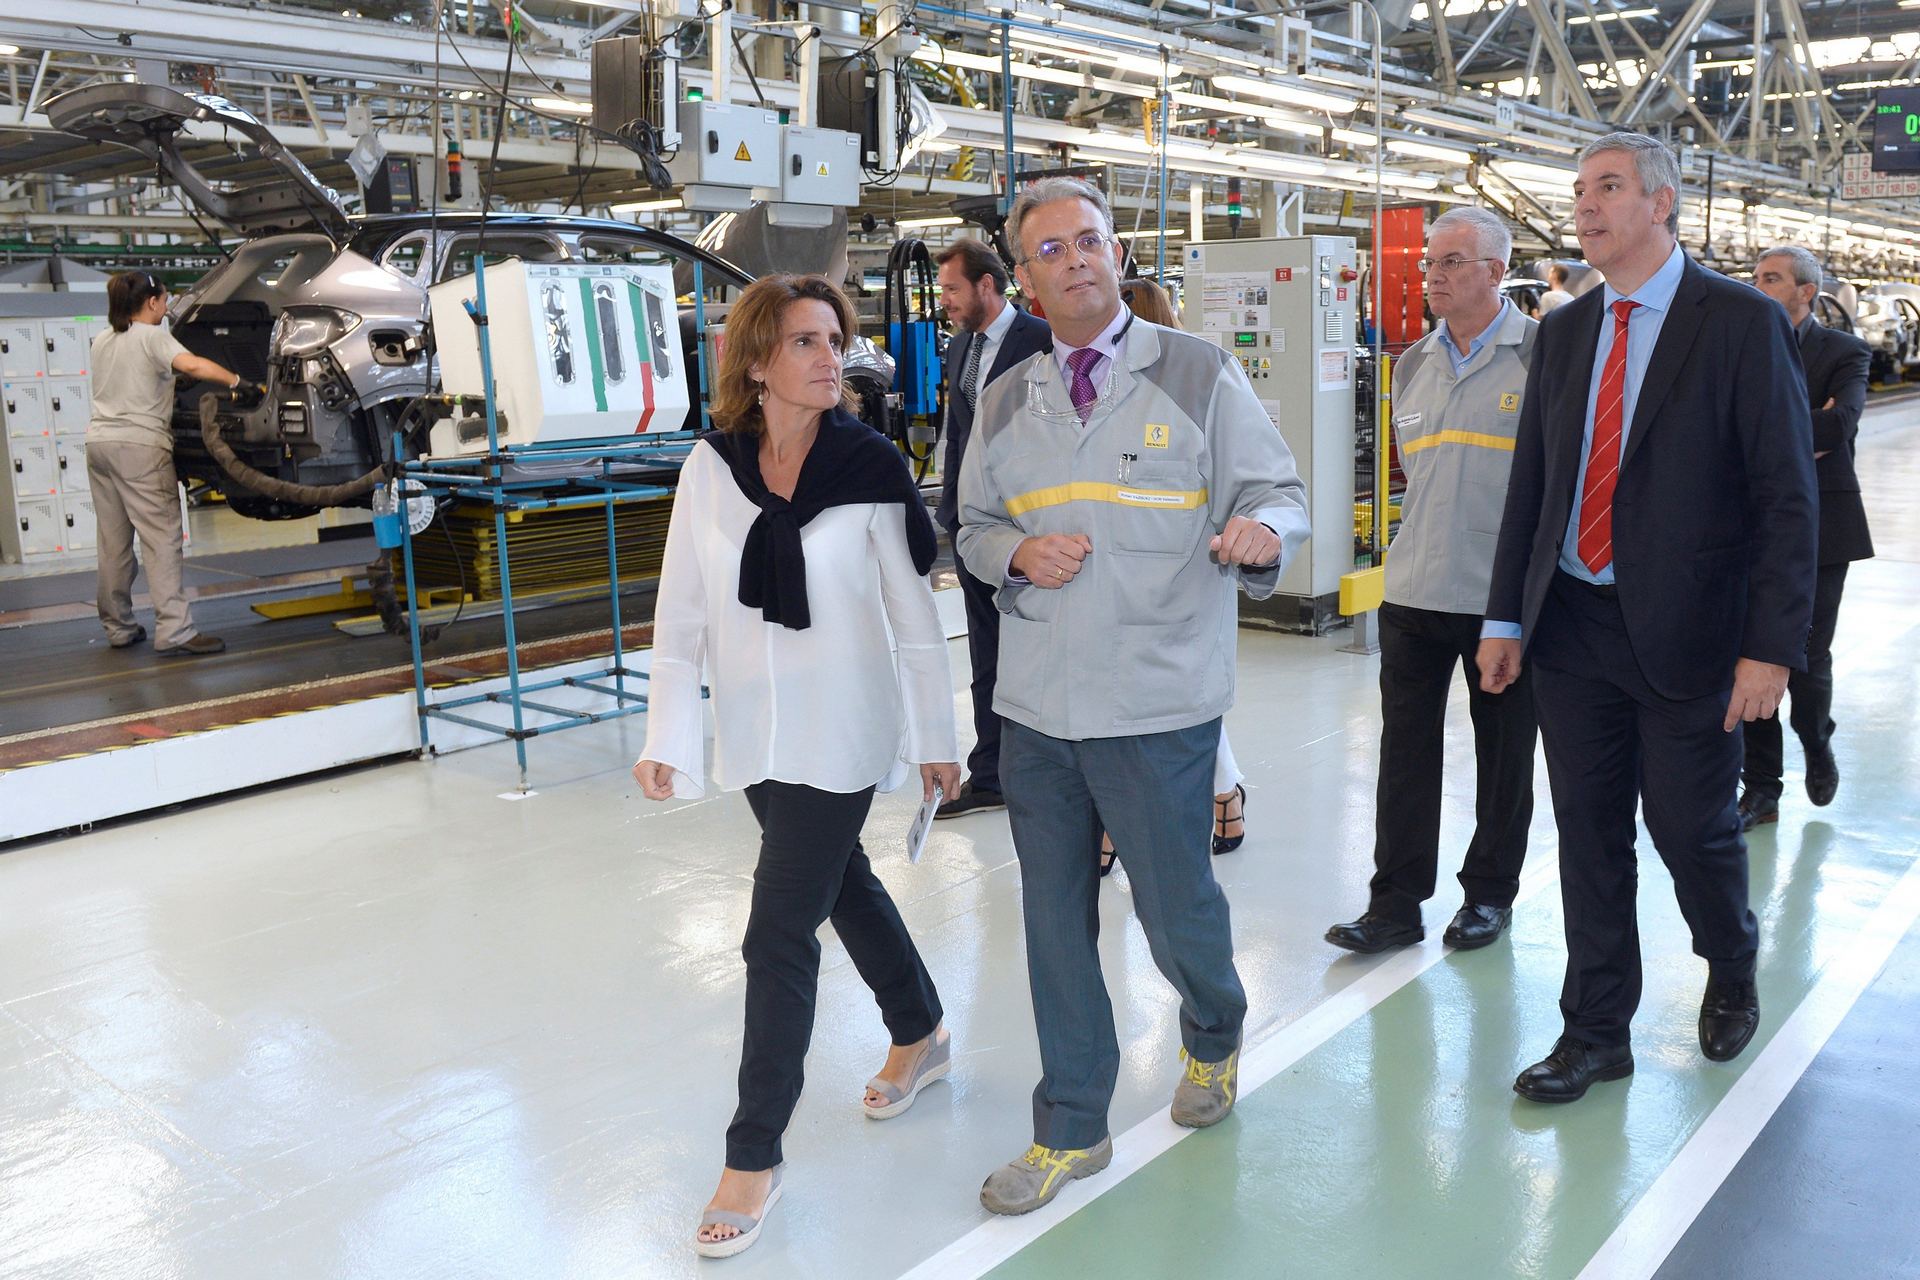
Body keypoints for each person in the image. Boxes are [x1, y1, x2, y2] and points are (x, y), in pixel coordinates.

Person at [957, 176, 1309, 1212]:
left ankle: (1213, 1025)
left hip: (1157, 701)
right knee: (1054, 919)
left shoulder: (1195, 373)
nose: (1075, 260)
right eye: (1051, 250)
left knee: (1172, 905)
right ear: (1023, 277)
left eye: (1090, 242)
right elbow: (972, 526)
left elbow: (1277, 493)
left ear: (1117, 253)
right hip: (1036, 707)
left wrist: (1264, 534)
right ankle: (1071, 1121)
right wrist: (1016, 550)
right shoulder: (1007, 398)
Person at [1476, 133, 1817, 1104]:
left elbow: (1787, 498)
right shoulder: (1565, 330)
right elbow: (1535, 488)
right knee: (1587, 830)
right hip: (1575, 623)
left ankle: (1732, 956)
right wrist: (1508, 614)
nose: (1586, 205)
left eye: (1609, 187)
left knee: (1689, 827)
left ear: (1661, 203)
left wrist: (1770, 648)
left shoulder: (1741, 322)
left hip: (1694, 631)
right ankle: (1594, 1032)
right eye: (1580, 189)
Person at [632, 274, 962, 1258]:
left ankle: (753, 1152)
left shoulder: (869, 467)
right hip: (758, 731)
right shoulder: (712, 466)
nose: (831, 357)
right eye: (807, 341)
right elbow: (682, 608)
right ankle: (923, 1028)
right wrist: (666, 734)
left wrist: (938, 733)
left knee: (779, 927)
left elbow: (913, 616)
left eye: (836, 339)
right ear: (758, 361)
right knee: (842, 882)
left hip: (844, 726)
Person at [1325, 207, 1539, 956]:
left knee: (1504, 757)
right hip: (1414, 590)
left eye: (1451, 262)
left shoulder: (1541, 356)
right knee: (1405, 756)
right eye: (1429, 264)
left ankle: (1489, 895)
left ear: (1493, 270)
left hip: (1500, 603)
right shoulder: (1411, 362)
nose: (1433, 277)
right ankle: (1395, 903)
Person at [1741, 246, 1874, 829]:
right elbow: (1722, 428)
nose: (1757, 286)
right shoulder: (1740, 346)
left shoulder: (1845, 351)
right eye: (1755, 277)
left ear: (1805, 291)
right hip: (1747, 524)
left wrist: (1765, 431)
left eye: (1770, 278)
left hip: (1825, 527)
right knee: (1748, 654)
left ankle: (1816, 740)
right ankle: (1762, 788)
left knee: (1807, 656)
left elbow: (1840, 424)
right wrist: (1802, 425)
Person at [932, 238, 1051, 820]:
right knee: (985, 649)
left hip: (1032, 529)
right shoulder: (960, 349)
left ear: (987, 285)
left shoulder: (1043, 341)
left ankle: (1044, 765)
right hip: (975, 527)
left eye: (953, 288)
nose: (945, 300)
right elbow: (960, 436)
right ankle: (992, 772)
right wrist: (951, 510)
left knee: (1036, 647)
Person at [88, 271, 251, 656]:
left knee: (113, 543)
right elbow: (193, 365)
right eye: (164, 300)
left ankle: (118, 626)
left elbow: (137, 379)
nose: (166, 307)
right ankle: (175, 631)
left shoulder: (103, 339)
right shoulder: (153, 336)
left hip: (99, 444)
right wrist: (238, 382)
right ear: (152, 302)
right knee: (161, 538)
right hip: (140, 448)